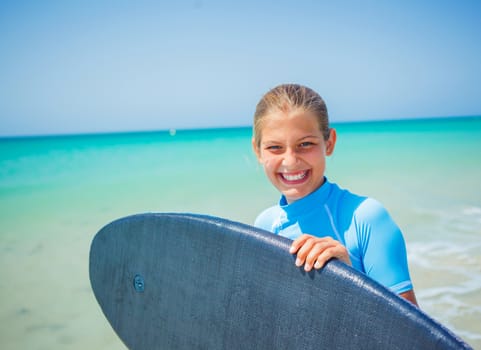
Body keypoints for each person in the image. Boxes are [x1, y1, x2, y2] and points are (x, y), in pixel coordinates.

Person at [252, 83, 418, 305]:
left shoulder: (367, 219)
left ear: (329, 143)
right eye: (275, 147)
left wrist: (349, 278)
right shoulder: (264, 225)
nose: (290, 161)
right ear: (258, 151)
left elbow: (410, 333)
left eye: (305, 144)